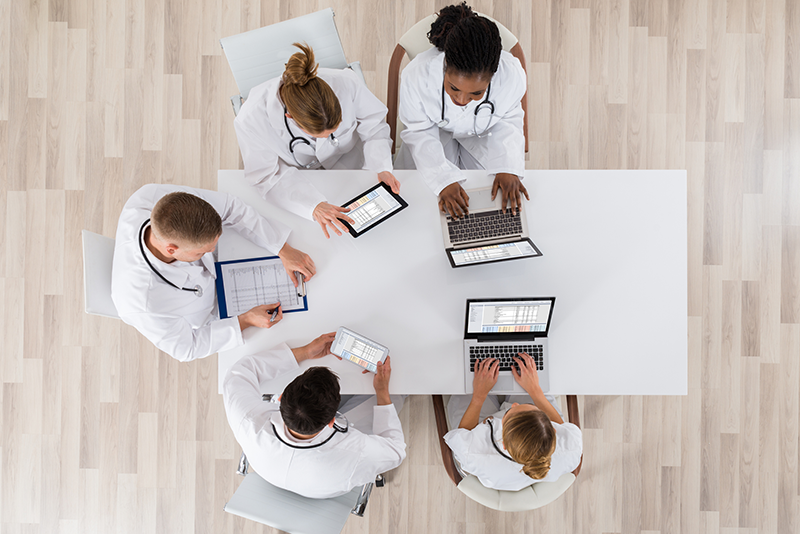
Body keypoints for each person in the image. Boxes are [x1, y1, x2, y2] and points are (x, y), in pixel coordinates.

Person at [111, 184, 316, 362]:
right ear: (171, 249)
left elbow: (231, 208)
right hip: (210, 314)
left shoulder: (151, 198)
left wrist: (282, 248)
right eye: (202, 252)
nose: (209, 252)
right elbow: (187, 348)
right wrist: (244, 321)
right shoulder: (143, 302)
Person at [234, 43, 399, 238]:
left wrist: (380, 166)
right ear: (291, 119)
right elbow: (265, 176)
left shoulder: (345, 83)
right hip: (298, 181)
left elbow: (374, 124)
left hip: (353, 167)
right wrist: (312, 205)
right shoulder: (251, 119)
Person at [223, 333, 406, 498]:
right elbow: (396, 450)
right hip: (323, 487)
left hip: (275, 473)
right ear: (333, 421)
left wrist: (306, 352)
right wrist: (382, 391)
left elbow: (238, 373)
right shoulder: (354, 453)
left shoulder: (247, 420)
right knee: (396, 394)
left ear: (280, 398)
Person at [396, 2, 529, 218]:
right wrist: (441, 179)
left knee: (487, 205)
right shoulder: (416, 75)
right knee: (421, 209)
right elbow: (419, 131)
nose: (462, 99)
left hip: (484, 135)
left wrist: (508, 166)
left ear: (493, 76)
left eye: (476, 93)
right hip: (433, 137)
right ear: (445, 65)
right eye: (453, 87)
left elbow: (509, 117)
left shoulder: (511, 74)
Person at [444, 353, 582, 491]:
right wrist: (535, 391)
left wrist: (478, 396)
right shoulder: (571, 449)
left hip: (480, 426)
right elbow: (564, 427)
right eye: (530, 407)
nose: (514, 404)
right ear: (553, 430)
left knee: (467, 385)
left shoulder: (475, 453)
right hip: (521, 435)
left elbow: (462, 434)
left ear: (502, 443)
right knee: (528, 378)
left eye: (509, 411)